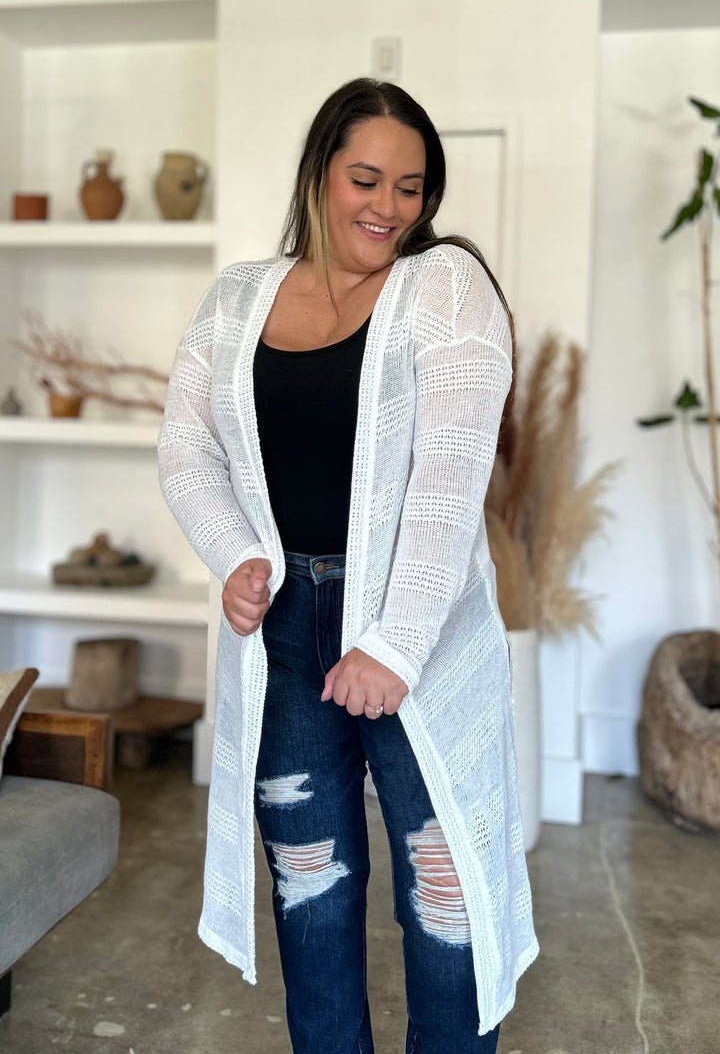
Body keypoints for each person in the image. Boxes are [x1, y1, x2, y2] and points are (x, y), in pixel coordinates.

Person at [158, 77, 539, 1054]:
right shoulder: (239, 299)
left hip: (418, 633)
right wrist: (238, 554)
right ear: (320, 172)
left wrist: (395, 645)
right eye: (366, 178)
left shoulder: (444, 287)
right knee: (311, 888)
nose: (388, 206)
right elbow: (185, 448)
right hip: (284, 629)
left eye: (412, 187)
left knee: (444, 885)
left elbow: (451, 483)